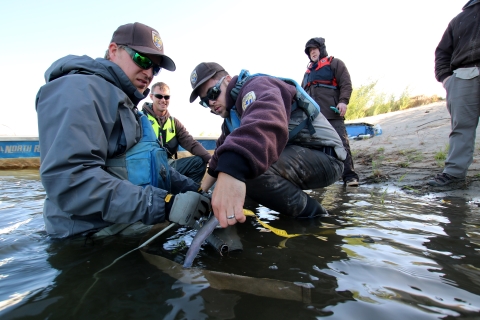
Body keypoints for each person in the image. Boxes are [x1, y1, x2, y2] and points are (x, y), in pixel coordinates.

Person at [36, 22, 210, 239]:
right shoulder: (81, 90)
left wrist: (198, 192)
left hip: (124, 221)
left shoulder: (128, 107)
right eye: (142, 59)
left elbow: (155, 168)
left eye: (155, 68)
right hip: (90, 238)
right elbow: (71, 180)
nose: (148, 72)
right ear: (113, 51)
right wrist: (165, 204)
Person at [189, 62, 347, 228]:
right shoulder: (230, 121)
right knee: (236, 180)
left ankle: (317, 218)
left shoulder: (256, 86)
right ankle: (245, 227)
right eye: (205, 102)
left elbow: (264, 119)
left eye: (213, 93)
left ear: (228, 80)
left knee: (246, 170)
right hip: (297, 158)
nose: (211, 103)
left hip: (326, 157)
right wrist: (200, 193)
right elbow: (216, 161)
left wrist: (233, 167)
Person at [428, 0, 480, 187]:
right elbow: (442, 52)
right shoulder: (459, 19)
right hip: (463, 75)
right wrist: (446, 79)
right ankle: (454, 174)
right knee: (461, 127)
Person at [301, 37, 360, 187]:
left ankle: (350, 177)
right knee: (317, 148)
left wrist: (343, 101)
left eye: (314, 49)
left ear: (321, 49)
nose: (312, 53)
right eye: (310, 51)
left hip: (332, 113)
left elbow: (346, 83)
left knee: (341, 143)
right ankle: (325, 180)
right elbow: (301, 94)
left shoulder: (335, 63)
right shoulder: (307, 73)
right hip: (314, 118)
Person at [142, 82, 211, 183]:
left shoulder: (174, 122)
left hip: (168, 165)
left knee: (199, 162)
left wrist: (210, 159)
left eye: (166, 97)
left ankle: (187, 195)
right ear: (151, 97)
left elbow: (190, 142)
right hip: (146, 167)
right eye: (159, 96)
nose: (163, 100)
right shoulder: (140, 118)